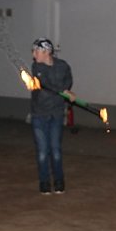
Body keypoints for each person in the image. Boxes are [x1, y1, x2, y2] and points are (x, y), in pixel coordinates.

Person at [29, 37, 73, 195]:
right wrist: (64, 91)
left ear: (46, 52)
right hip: (39, 114)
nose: (34, 54)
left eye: (36, 51)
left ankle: (59, 181)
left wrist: (67, 90)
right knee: (42, 151)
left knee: (55, 150)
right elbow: (46, 85)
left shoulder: (63, 66)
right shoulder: (36, 67)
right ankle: (44, 182)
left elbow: (68, 81)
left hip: (56, 114)